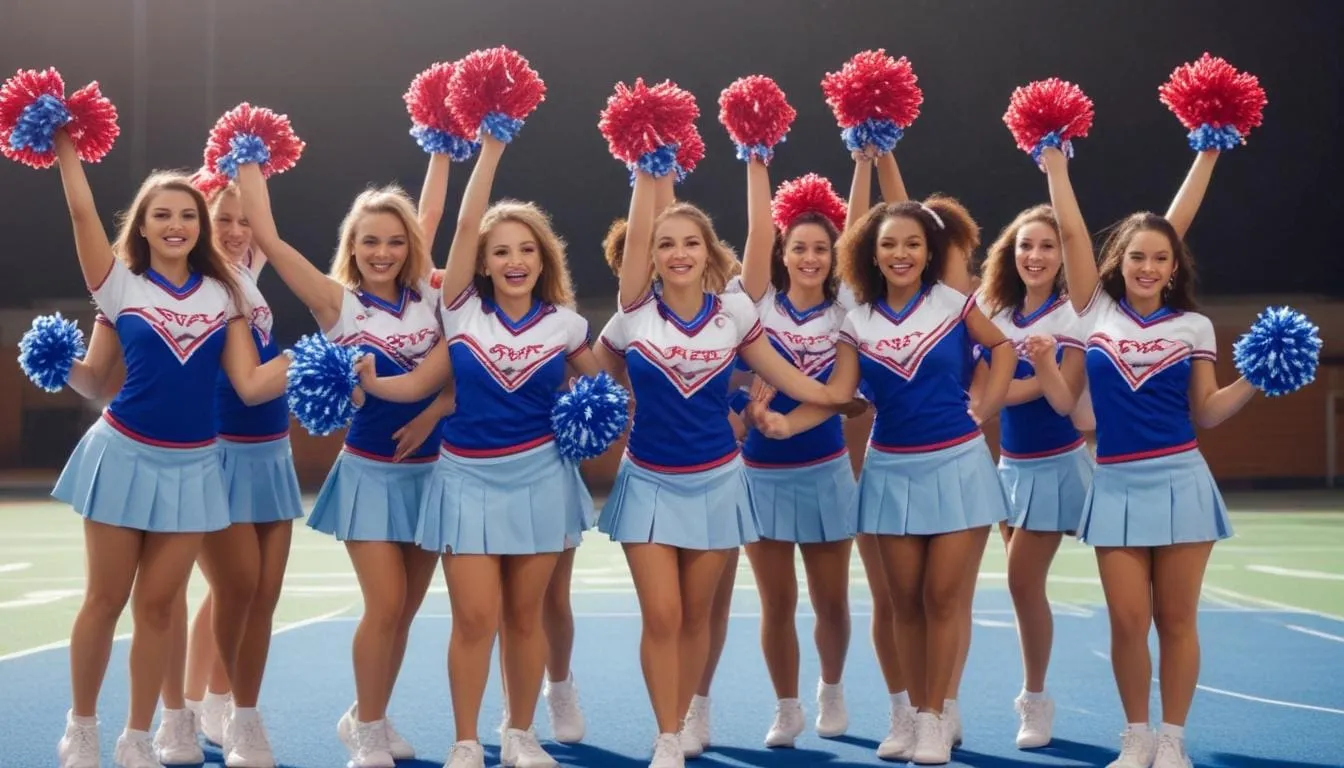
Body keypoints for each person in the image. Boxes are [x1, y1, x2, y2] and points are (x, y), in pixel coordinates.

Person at [596, 168, 854, 768]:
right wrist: (644, 168)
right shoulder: (635, 310)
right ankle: (666, 736)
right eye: (665, 244)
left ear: (708, 252)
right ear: (652, 257)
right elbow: (598, 363)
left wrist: (841, 399)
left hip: (717, 482)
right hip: (649, 482)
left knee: (693, 617)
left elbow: (791, 378)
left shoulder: (733, 315)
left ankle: (684, 718)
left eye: (690, 242)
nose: (677, 252)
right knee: (661, 616)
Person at [48, 129, 289, 768]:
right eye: (163, 215)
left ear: (200, 226)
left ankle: (136, 736)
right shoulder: (118, 285)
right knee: (106, 599)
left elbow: (250, 381)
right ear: (145, 227)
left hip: (195, 465)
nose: (177, 224)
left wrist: (323, 362)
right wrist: (65, 144)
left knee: (158, 606)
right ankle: (83, 728)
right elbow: (81, 213)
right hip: (123, 453)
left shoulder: (225, 295)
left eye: (188, 214)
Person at [756, 195, 1017, 765]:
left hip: (958, 465)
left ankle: (932, 718)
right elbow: (837, 396)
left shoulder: (953, 303)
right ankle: (916, 709)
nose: (901, 254)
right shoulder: (857, 321)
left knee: (943, 597)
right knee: (904, 603)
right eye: (889, 244)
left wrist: (989, 404)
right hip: (892, 468)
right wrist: (783, 422)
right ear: (871, 255)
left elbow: (1001, 348)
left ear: (929, 252)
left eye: (913, 243)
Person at [1045, 144, 1255, 768]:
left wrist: (1257, 378)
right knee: (1127, 620)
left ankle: (1173, 740)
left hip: (1182, 479)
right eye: (1137, 255)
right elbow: (1074, 231)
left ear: (1172, 268)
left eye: (1160, 258)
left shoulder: (1193, 326)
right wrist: (1056, 166)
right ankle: (1135, 736)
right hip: (1114, 483)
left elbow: (1209, 411)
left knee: (1177, 620)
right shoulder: (1095, 313)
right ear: (1120, 261)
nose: (1147, 266)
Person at [235, 159, 448, 768]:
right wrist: (250, 159)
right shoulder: (338, 303)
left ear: (410, 245)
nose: (382, 251)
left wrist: (442, 148)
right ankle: (371, 731)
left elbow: (431, 213)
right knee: (383, 605)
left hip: (432, 471)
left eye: (394, 240)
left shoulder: (433, 296)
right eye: (369, 240)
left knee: (405, 613)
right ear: (351, 247)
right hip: (370, 475)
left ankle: (365, 715)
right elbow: (271, 241)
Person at [724, 156, 860, 748]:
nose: (809, 258)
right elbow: (756, 229)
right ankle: (787, 706)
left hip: (826, 470)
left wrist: (863, 159)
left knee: (831, 599)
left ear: (834, 259)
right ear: (783, 253)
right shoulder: (756, 305)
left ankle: (831, 688)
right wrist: (756, 159)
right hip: (762, 476)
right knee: (776, 602)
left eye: (820, 250)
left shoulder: (846, 311)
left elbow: (860, 227)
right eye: (798, 247)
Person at [970, 204, 1091, 750]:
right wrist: (990, 395)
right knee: (1026, 591)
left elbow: (1053, 392)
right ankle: (1035, 693)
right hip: (1010, 468)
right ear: (1009, 253)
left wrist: (997, 392)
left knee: (1021, 583)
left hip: (1058, 466)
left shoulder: (1073, 315)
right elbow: (980, 391)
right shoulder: (994, 312)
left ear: (1063, 255)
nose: (1035, 256)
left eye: (1046, 246)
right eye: (1025, 245)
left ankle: (1035, 700)